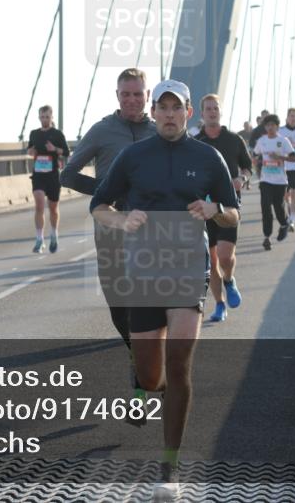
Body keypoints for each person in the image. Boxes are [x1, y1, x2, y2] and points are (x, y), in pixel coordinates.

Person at [90, 79, 239, 500]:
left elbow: (233, 212)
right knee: (151, 375)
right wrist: (122, 221)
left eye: (177, 108)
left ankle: (169, 468)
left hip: (188, 270)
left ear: (188, 113)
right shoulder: (133, 157)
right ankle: (145, 384)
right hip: (143, 272)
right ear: (153, 112)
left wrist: (214, 209)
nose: (170, 114)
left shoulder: (208, 157)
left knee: (179, 366)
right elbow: (98, 207)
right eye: (163, 107)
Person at [60, 68, 156, 398]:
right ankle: (134, 349)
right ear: (117, 96)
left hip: (151, 231)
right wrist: (106, 192)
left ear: (147, 96)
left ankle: (144, 375)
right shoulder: (102, 130)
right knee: (118, 304)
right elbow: (68, 175)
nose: (132, 100)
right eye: (125, 94)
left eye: (138, 94)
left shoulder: (159, 131)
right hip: (110, 227)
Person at [194, 94, 252, 323]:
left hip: (228, 207)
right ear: (202, 113)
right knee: (211, 261)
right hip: (204, 209)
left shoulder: (234, 140)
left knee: (226, 257)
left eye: (215, 108)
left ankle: (229, 279)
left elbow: (248, 167)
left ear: (220, 111)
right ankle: (219, 304)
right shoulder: (195, 143)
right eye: (208, 108)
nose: (212, 112)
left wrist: (242, 179)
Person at [26, 105, 70, 253]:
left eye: (47, 117)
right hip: (38, 175)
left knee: (53, 208)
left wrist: (55, 149)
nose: (44, 119)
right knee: (39, 205)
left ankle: (54, 234)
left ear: (52, 117)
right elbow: (30, 149)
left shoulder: (57, 134)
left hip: (53, 176)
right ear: (39, 117)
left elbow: (66, 152)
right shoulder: (34, 134)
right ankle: (39, 240)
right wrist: (31, 151)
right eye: (42, 117)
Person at [253, 114, 295, 250]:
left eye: (272, 125)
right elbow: (254, 155)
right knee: (265, 207)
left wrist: (279, 157)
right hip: (265, 180)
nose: (270, 127)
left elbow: (294, 158)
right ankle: (266, 237)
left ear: (277, 126)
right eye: (267, 125)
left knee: (278, 207)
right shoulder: (262, 141)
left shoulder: (283, 141)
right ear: (265, 127)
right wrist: (256, 166)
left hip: (280, 181)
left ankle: (284, 224)